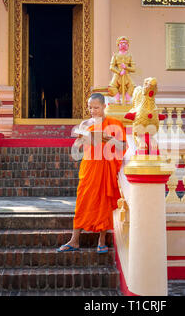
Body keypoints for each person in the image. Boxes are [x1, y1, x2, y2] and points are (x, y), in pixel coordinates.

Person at [58, 93, 127, 254]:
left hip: (105, 167)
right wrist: (82, 139)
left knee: (103, 202)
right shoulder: (85, 123)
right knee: (82, 202)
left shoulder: (114, 124)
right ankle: (74, 240)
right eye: (90, 107)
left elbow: (123, 147)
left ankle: (101, 240)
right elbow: (76, 148)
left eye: (96, 107)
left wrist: (108, 139)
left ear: (104, 106)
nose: (92, 111)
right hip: (89, 167)